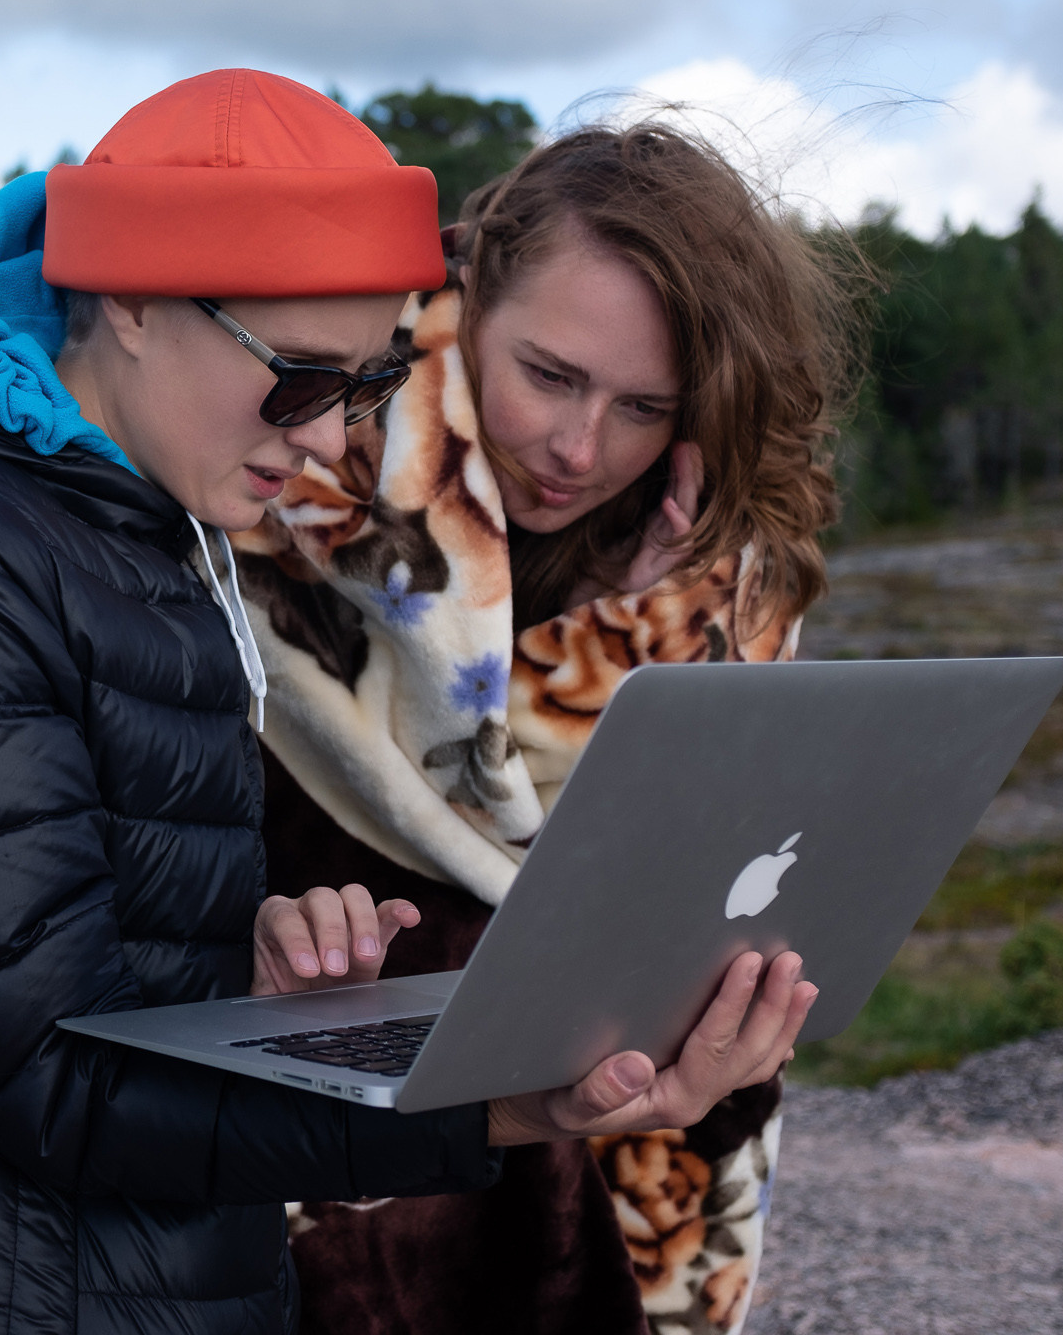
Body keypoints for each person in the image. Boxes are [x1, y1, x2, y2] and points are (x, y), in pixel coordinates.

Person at [0, 70, 816, 1334]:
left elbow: (100, 986)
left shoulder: (148, 538)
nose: (327, 442)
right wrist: (512, 1106)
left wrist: (250, 971)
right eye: (303, 377)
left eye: (366, 387)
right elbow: (60, 1081)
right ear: (136, 297)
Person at [233, 123, 861, 1334]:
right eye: (553, 374)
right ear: (467, 297)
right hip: (348, 1197)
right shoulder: (287, 489)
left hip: (603, 1205)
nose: (581, 449)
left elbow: (714, 929)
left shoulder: (720, 585)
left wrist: (660, 645)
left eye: (643, 407)